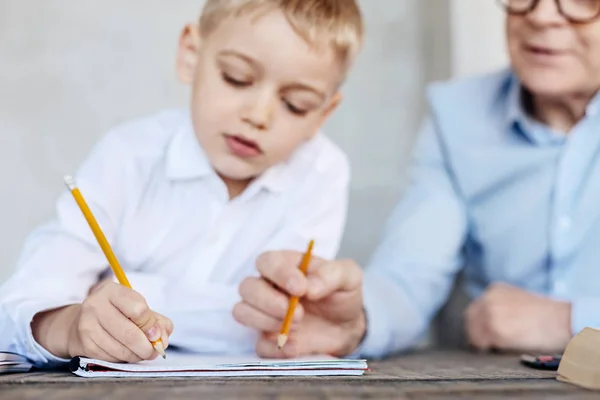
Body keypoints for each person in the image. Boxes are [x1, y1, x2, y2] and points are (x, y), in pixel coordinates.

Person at [0, 0, 364, 367]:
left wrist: (119, 287)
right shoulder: (128, 157)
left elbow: (274, 329)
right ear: (191, 53)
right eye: (236, 77)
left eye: (296, 104)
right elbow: (23, 300)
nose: (258, 115)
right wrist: (68, 325)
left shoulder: (321, 173)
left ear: (323, 113)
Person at [234, 0, 600, 359]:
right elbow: (411, 276)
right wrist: (354, 322)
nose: (541, 14)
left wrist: (569, 320)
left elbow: (564, 323)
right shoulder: (458, 114)